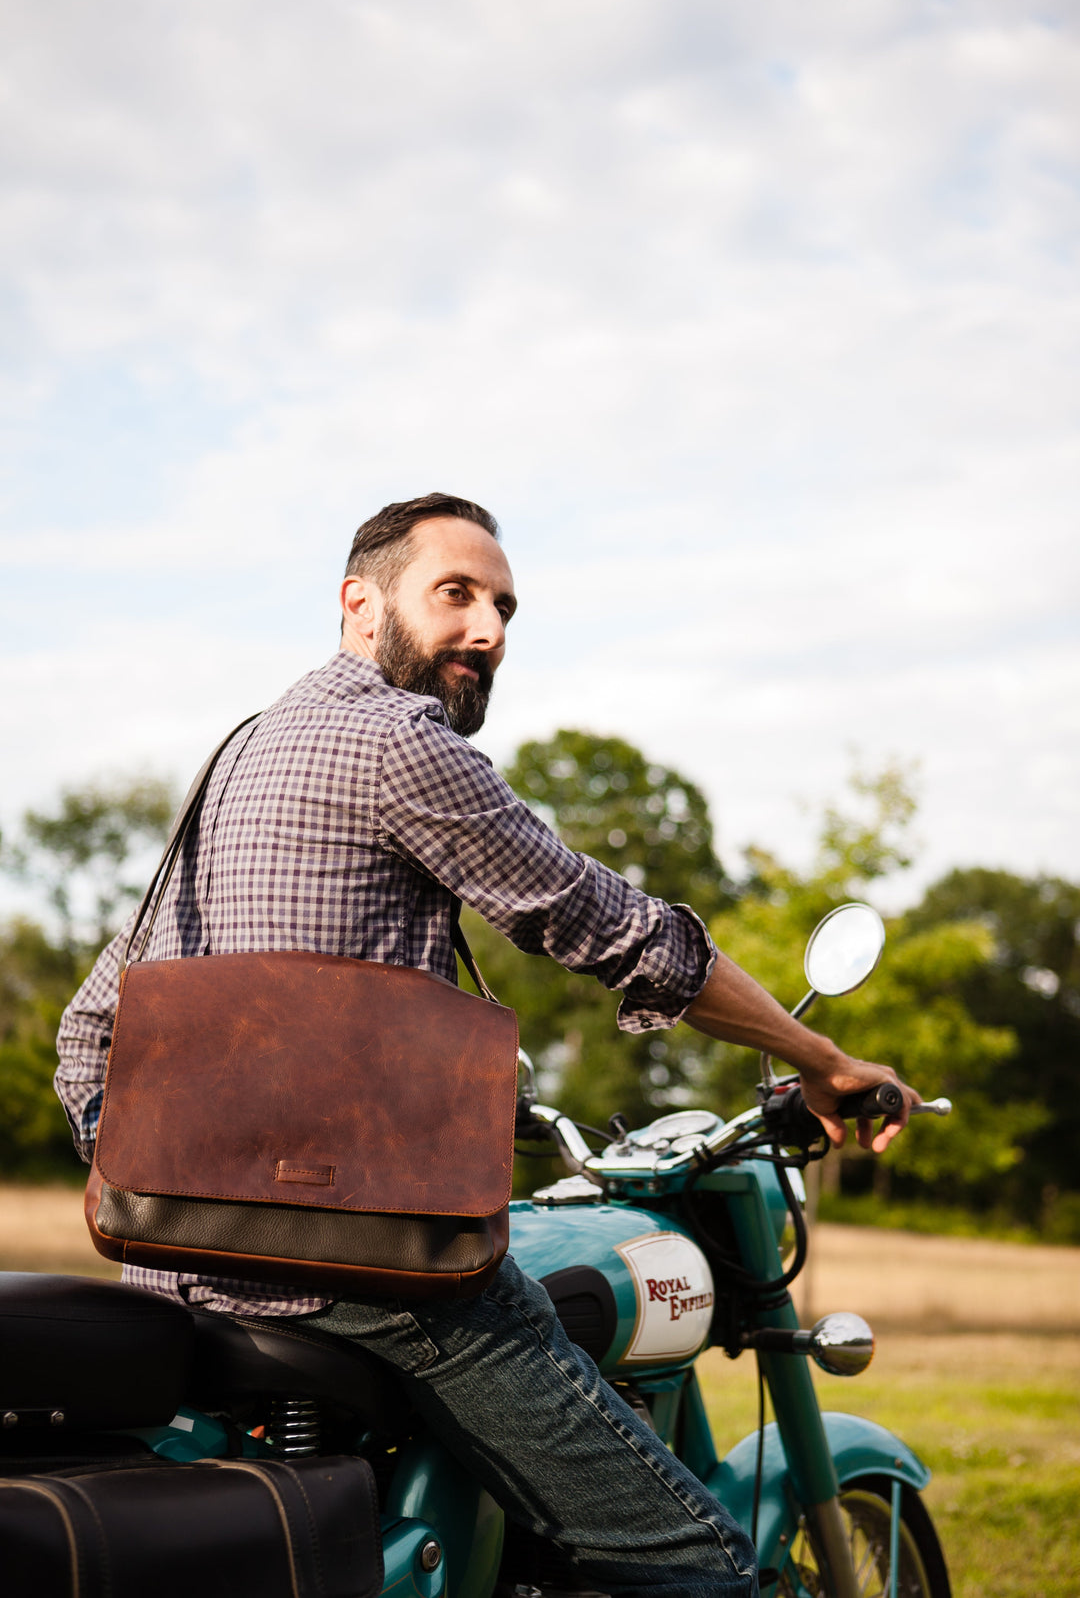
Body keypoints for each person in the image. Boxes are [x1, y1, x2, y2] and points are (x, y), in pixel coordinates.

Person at [56, 492, 918, 1598]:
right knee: (697, 1562)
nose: (490, 629)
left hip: (186, 1272)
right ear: (359, 606)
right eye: (455, 594)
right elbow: (615, 930)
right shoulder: (398, 740)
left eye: (505, 606)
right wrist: (821, 1057)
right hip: (370, 1277)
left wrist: (167, 1194)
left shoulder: (239, 754)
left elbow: (97, 1022)